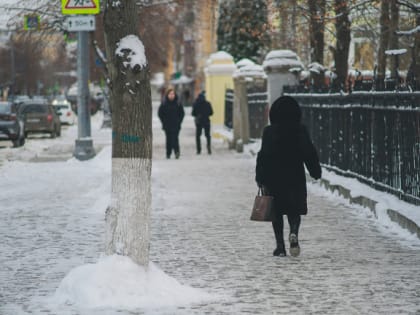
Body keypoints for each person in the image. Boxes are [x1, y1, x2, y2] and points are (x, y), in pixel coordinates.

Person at [255, 96, 321, 257]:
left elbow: (263, 155)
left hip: (273, 177)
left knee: (276, 213)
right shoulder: (300, 130)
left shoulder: (269, 131)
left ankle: (280, 247)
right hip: (294, 176)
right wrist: (315, 170)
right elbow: (309, 152)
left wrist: (260, 177)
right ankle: (294, 233)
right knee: (294, 210)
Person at [158, 89, 185, 159]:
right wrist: (163, 121)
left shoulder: (178, 103)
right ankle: (168, 153)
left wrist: (179, 121)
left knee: (175, 139)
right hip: (167, 125)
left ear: (175, 95)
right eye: (170, 94)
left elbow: (182, 113)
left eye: (173, 94)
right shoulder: (164, 103)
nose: (172, 95)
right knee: (168, 139)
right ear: (167, 95)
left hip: (176, 125)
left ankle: (177, 152)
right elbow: (160, 113)